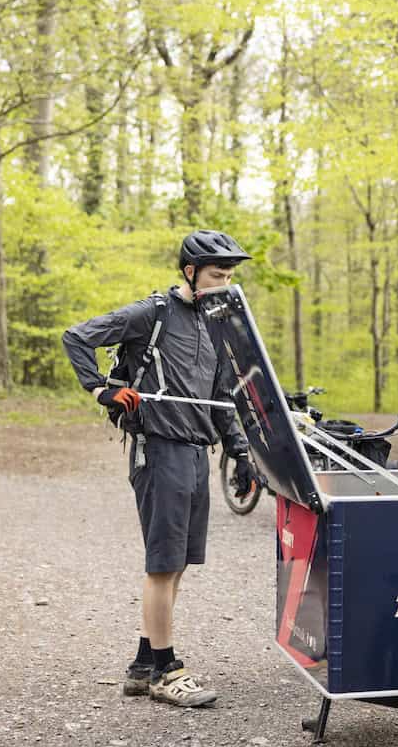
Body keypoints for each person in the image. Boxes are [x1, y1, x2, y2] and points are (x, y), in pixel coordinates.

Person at [61, 230, 258, 708]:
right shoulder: (153, 314)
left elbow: (222, 398)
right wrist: (101, 391)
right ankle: (166, 671)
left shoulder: (216, 326)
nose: (224, 284)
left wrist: (241, 455)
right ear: (190, 272)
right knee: (162, 565)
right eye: (217, 275)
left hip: (195, 452)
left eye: (230, 276)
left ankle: (143, 663)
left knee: (179, 565)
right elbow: (77, 337)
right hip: (160, 449)